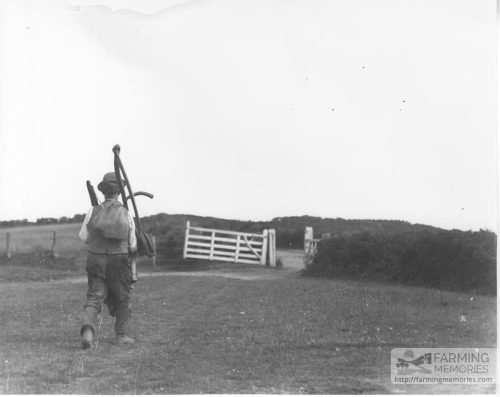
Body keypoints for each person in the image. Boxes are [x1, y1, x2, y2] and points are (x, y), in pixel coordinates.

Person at [78, 172, 137, 348]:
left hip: (95, 259)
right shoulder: (125, 213)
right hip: (118, 261)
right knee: (122, 298)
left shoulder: (92, 210)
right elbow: (132, 245)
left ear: (104, 192)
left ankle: (88, 332)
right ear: (119, 192)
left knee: (94, 297)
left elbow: (84, 237)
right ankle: (120, 336)